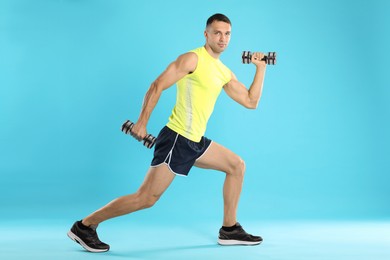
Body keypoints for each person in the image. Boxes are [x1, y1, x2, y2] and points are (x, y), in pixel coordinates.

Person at [68, 13, 267, 252]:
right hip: (177, 138)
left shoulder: (223, 71)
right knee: (146, 198)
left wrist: (261, 68)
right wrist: (142, 123)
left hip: (195, 141)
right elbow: (157, 85)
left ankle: (230, 229)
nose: (222, 38)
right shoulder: (192, 59)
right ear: (206, 34)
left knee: (236, 166)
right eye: (217, 33)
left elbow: (250, 101)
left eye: (227, 34)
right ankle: (85, 226)